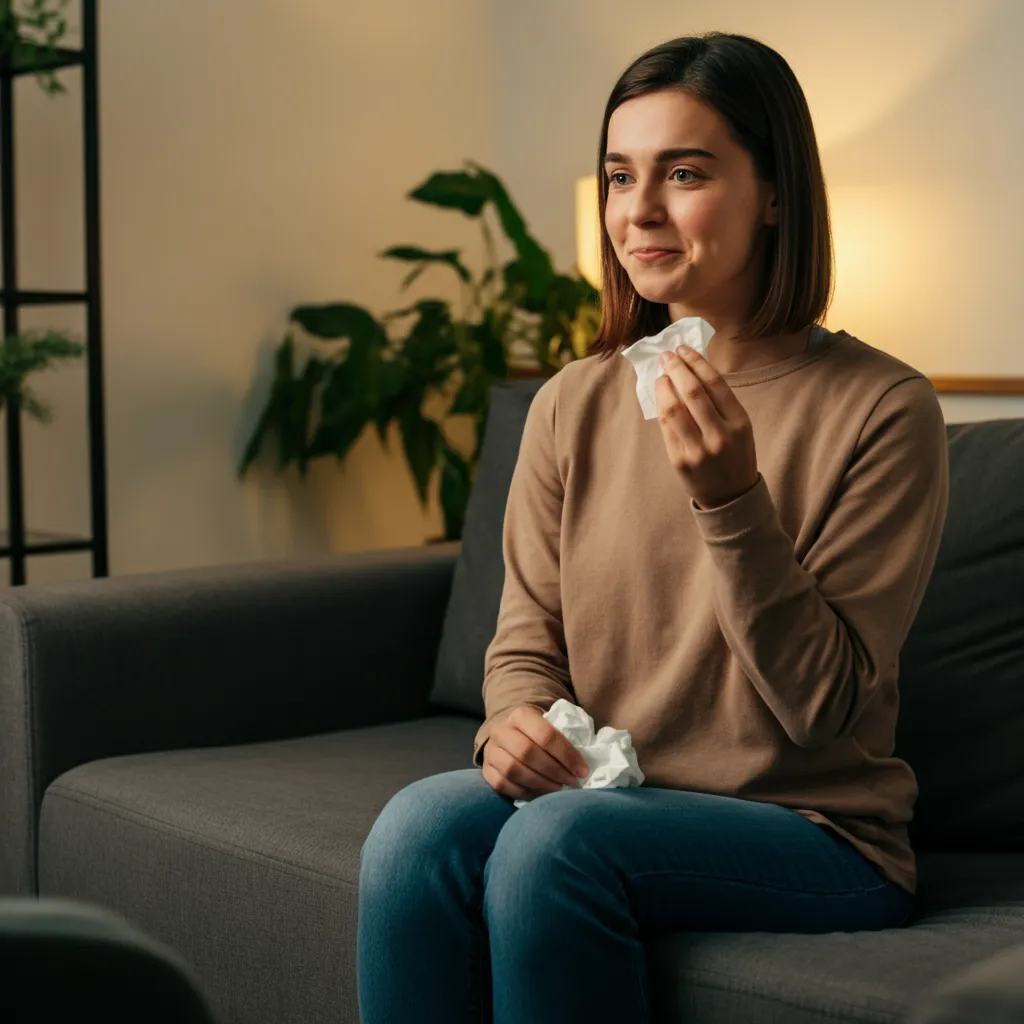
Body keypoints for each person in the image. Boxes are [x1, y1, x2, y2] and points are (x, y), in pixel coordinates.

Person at [357, 31, 949, 1024]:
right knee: (417, 826)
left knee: (557, 845)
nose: (638, 212)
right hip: (620, 789)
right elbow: (524, 640)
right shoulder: (571, 402)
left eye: (683, 173)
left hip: (814, 831)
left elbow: (821, 708)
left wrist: (729, 501)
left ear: (773, 192)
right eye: (618, 176)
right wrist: (512, 725)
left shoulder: (884, 408)